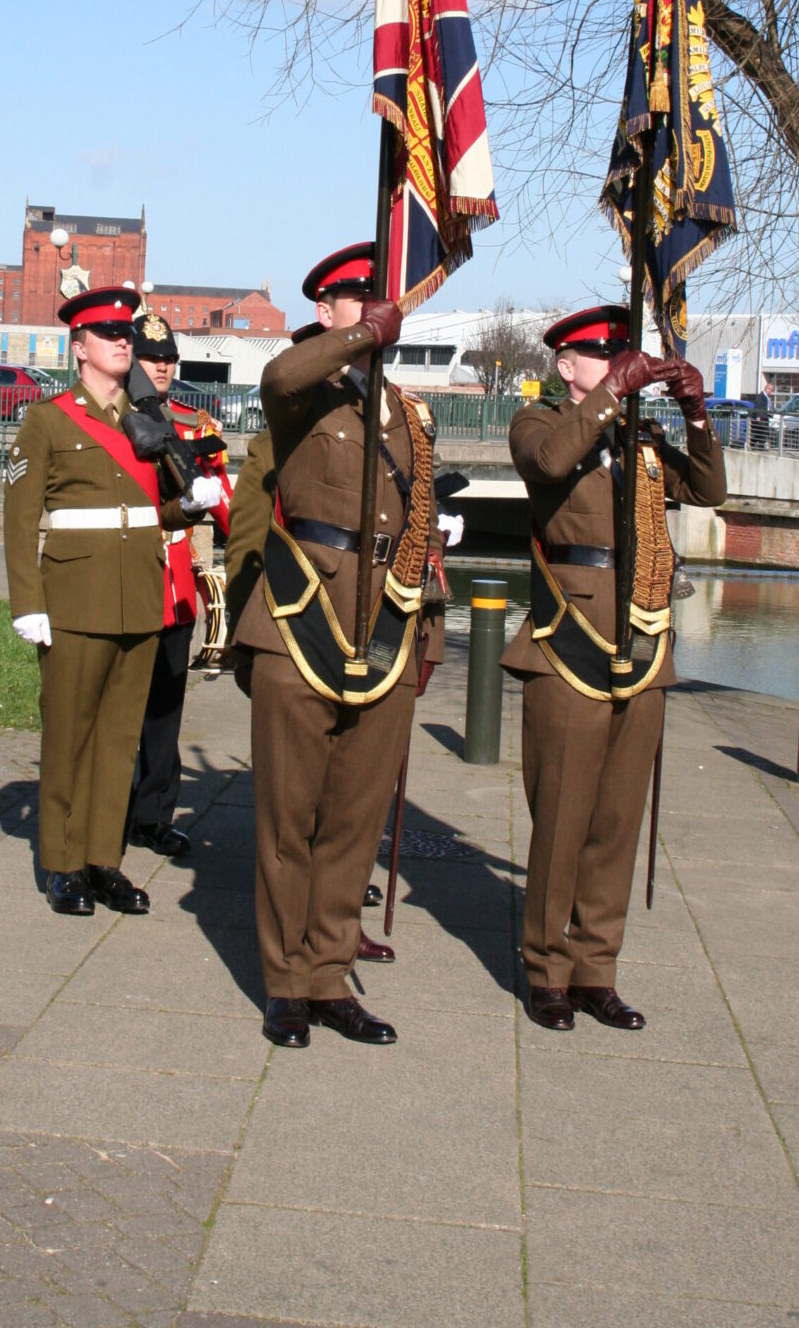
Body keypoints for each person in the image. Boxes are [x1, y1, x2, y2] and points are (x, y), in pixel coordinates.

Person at [232, 243, 444, 1049]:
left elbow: (423, 528)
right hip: (301, 617)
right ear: (326, 312)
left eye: (380, 301)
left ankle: (329, 977)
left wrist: (430, 630)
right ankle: (284, 982)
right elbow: (278, 380)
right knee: (289, 814)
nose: (375, 313)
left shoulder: (412, 412)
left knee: (355, 820)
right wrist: (356, 340)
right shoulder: (302, 390)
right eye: (357, 302)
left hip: (386, 627)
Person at [502, 305, 727, 1033]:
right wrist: (607, 400)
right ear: (568, 366)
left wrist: (695, 412)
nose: (621, 364)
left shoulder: (644, 438)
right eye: (606, 355)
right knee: (563, 816)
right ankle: (547, 968)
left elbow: (709, 489)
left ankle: (598, 967)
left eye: (624, 354)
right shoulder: (537, 422)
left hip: (643, 637)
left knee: (616, 821)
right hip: (572, 637)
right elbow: (550, 462)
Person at [2, 285, 223, 917]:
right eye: (109, 335)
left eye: (126, 334)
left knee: (120, 739)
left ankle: (103, 861)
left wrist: (190, 504)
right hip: (74, 599)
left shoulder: (145, 419)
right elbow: (20, 518)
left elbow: (148, 511)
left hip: (138, 596)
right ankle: (62, 862)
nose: (123, 342)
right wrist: (27, 601)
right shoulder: (48, 419)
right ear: (79, 348)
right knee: (70, 735)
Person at [123, 312, 232, 859]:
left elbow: (226, 499)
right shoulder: (115, 418)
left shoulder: (193, 424)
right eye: (152, 358)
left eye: (169, 360)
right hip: (127, 577)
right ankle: (111, 811)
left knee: (165, 711)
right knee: (121, 709)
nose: (162, 367)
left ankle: (154, 815)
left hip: (176, 586)